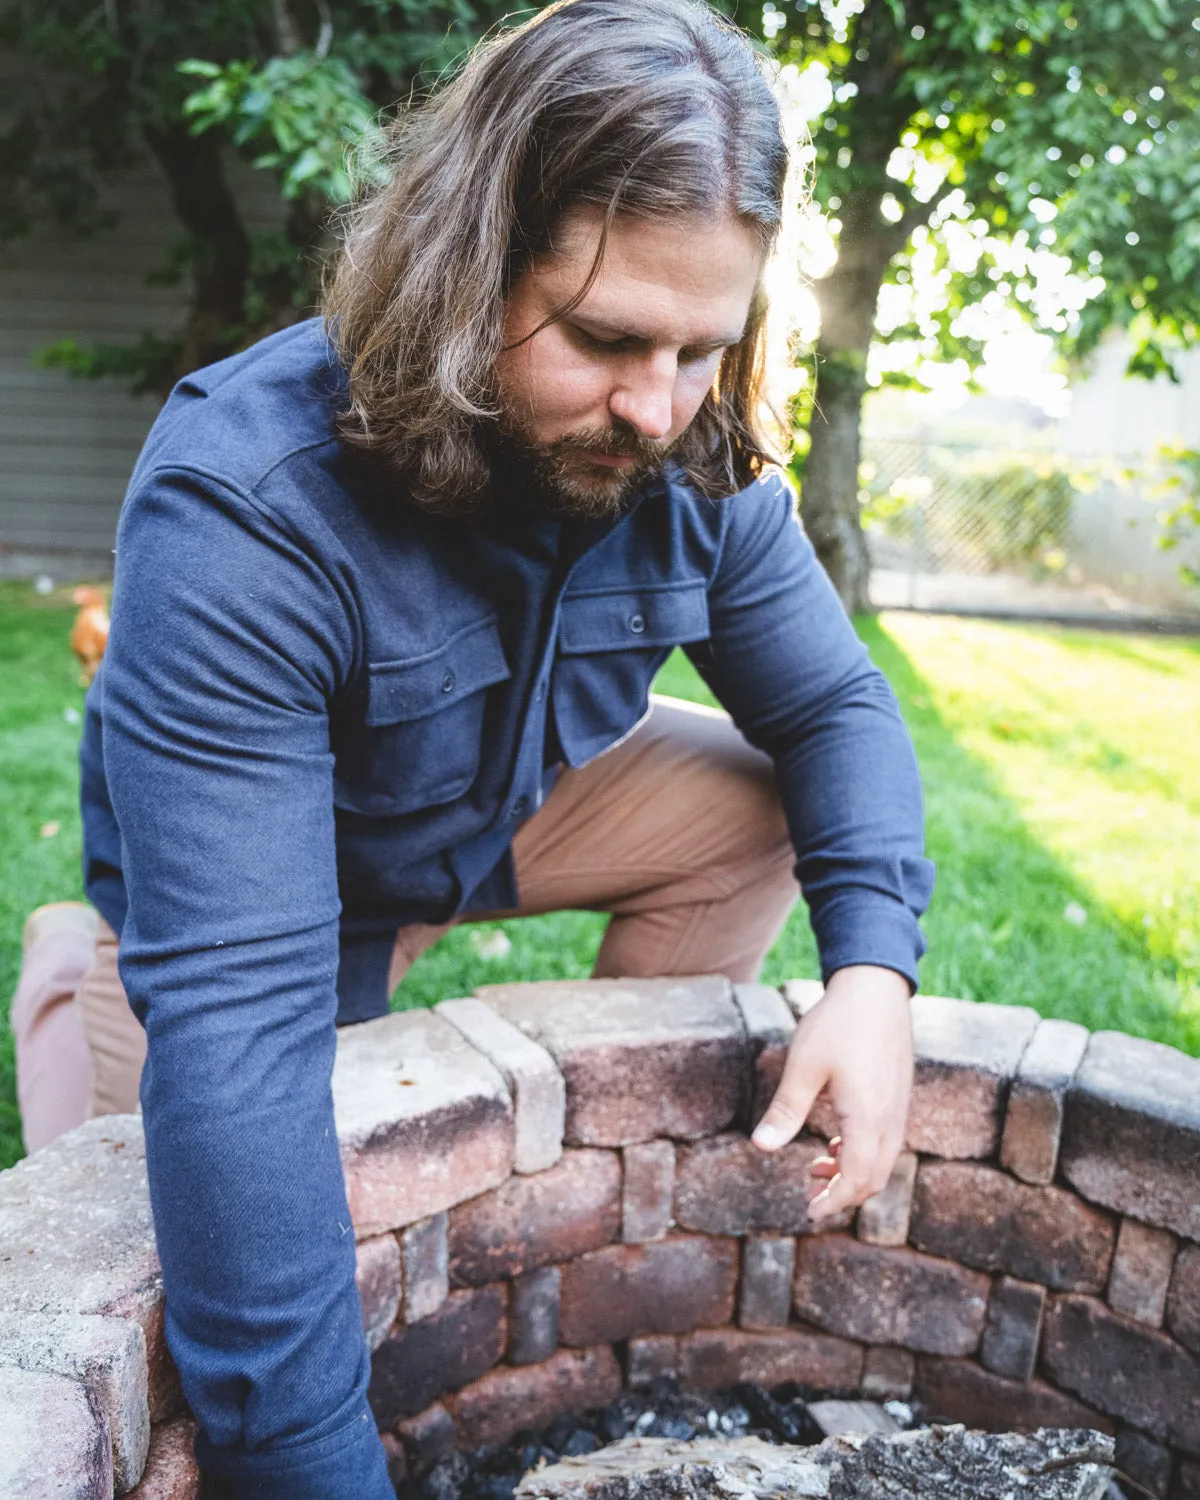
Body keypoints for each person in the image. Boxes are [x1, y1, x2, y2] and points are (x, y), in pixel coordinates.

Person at [10, 1, 934, 1492]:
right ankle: (79, 974)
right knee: (168, 1237)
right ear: (466, 265)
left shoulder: (690, 443)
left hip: (498, 811)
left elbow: (834, 707)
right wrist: (314, 1462)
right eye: (608, 338)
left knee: (761, 801)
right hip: (259, 891)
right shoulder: (248, 502)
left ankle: (582, 1159)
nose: (660, 405)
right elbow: (242, 1049)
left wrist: (874, 975)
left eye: (706, 345)